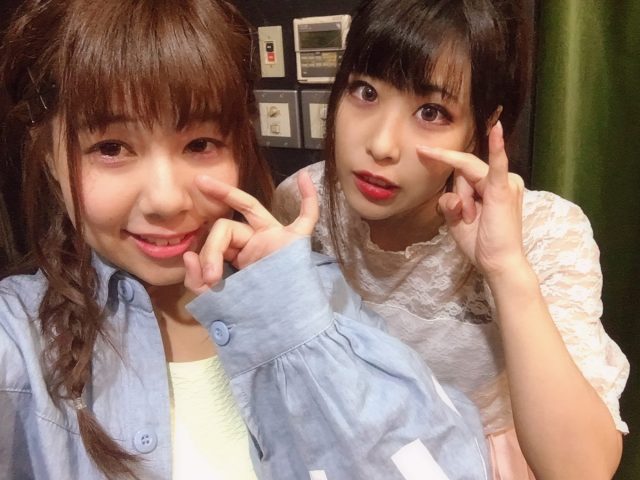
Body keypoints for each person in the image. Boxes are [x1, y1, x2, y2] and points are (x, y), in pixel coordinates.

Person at [0, 0, 492, 479]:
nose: (166, 200)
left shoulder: (315, 297)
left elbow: (446, 465)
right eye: (111, 148)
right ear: (49, 158)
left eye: (200, 144)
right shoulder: (17, 338)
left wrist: (293, 326)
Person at [273, 0, 630, 478]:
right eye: (365, 91)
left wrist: (505, 269)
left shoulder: (546, 231)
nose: (381, 144)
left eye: (432, 111)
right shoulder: (302, 203)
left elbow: (583, 470)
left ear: (482, 126)